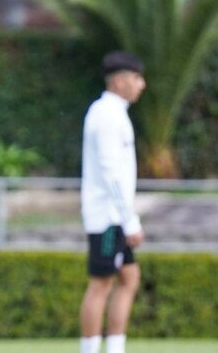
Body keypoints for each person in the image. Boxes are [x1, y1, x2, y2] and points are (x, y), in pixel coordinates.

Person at [79, 50, 147, 353]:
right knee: (101, 284)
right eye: (136, 78)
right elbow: (109, 171)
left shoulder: (116, 113)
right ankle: (91, 350)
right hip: (107, 217)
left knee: (130, 277)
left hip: (115, 215)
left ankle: (116, 347)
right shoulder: (105, 115)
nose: (142, 85)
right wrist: (128, 218)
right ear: (119, 81)